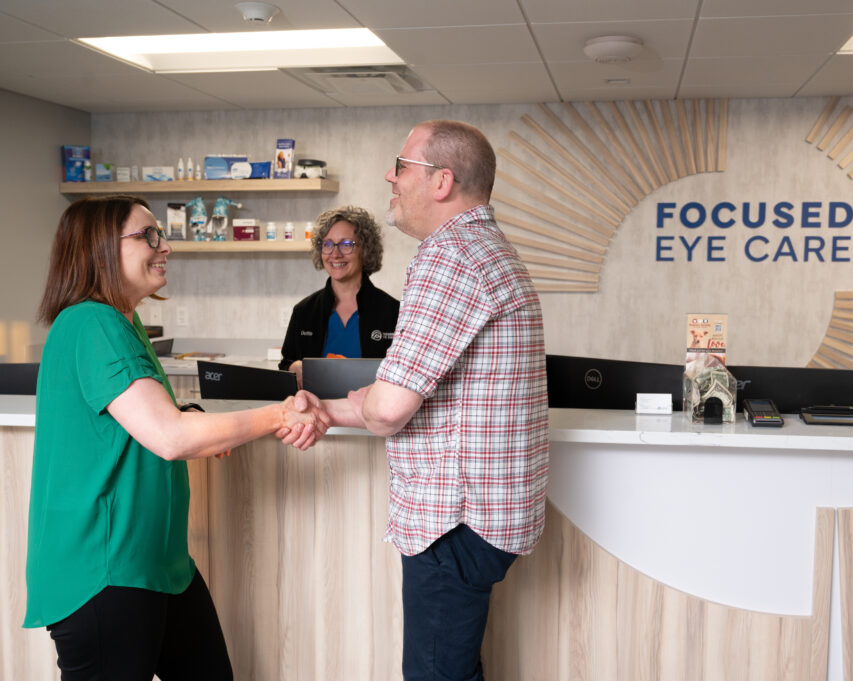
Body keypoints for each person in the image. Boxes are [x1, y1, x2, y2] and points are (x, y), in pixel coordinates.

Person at [23, 195, 329, 681]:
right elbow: (169, 437)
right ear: (100, 248)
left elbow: (147, 421)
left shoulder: (124, 321)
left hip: (158, 563)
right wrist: (278, 414)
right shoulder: (91, 322)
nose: (164, 246)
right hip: (105, 571)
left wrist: (194, 422)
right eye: (147, 236)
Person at [323, 120, 549, 681]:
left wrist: (343, 405)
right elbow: (416, 388)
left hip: (454, 521)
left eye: (401, 166)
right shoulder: (487, 250)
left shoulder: (450, 256)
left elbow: (387, 408)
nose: (390, 177)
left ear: (441, 180)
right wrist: (359, 400)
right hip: (481, 518)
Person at [279, 206, 400, 388]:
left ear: (365, 250)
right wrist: (293, 369)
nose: (335, 254)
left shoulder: (393, 312)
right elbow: (285, 367)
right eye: (327, 244)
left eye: (346, 244)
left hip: (369, 415)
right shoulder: (304, 311)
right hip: (316, 414)